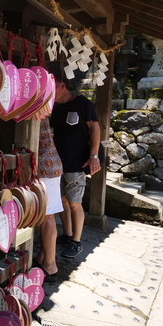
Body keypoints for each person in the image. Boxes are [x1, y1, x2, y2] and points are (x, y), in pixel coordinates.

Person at [50, 75, 101, 258]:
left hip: (77, 162)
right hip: (58, 163)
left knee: (74, 203)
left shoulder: (82, 103)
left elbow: (95, 128)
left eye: (52, 86)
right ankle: (67, 234)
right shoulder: (55, 109)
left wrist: (94, 156)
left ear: (62, 85)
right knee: (62, 201)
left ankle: (77, 242)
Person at [34, 118, 63, 282]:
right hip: (49, 163)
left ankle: (50, 265)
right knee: (48, 215)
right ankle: (42, 258)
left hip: (46, 167)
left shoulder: (28, 104)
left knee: (47, 216)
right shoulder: (39, 103)